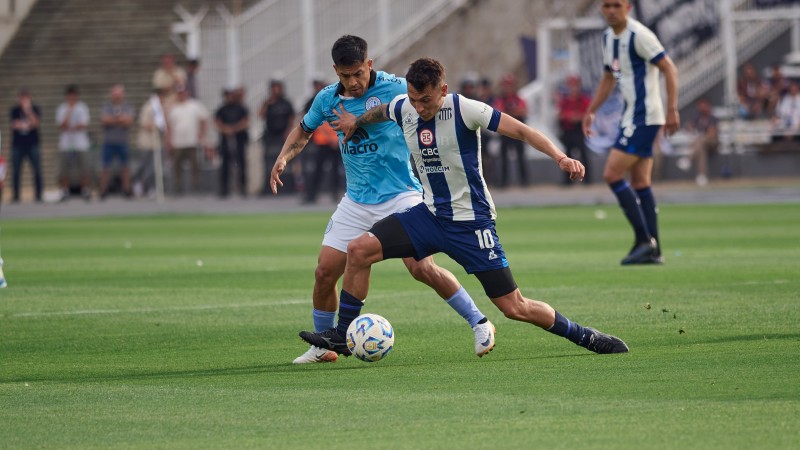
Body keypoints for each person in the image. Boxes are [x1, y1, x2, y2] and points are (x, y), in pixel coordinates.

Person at [300, 57, 628, 357]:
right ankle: (343, 334)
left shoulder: (465, 109)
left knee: (514, 307)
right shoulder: (404, 106)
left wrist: (560, 156)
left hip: (472, 225)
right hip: (428, 216)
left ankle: (585, 336)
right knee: (359, 250)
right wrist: (356, 122)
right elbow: (381, 111)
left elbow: (522, 131)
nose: (419, 107)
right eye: (413, 99)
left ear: (442, 90)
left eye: (426, 100)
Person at [270, 35, 494, 364]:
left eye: (359, 73)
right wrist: (283, 158)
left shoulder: (396, 88)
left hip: (402, 195)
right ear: (335, 71)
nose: (353, 81)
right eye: (345, 76)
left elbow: (436, 102)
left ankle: (479, 322)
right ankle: (324, 347)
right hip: (356, 201)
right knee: (324, 272)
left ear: (369, 64)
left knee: (421, 268)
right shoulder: (327, 99)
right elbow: (303, 131)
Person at [582, 0, 679, 265]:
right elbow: (608, 78)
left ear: (628, 7)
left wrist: (672, 109)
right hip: (632, 116)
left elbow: (669, 68)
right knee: (640, 183)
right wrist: (592, 110)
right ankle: (654, 248)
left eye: (617, 5)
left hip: (645, 116)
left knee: (611, 174)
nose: (611, 10)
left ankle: (644, 240)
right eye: (607, 5)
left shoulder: (640, 35)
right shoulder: (608, 38)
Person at [301, 79, 341, 204]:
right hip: (322, 141)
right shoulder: (312, 101)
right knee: (318, 169)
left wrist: (335, 139)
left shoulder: (333, 99)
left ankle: (334, 193)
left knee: (335, 169)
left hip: (334, 141)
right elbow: (312, 121)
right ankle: (312, 194)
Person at [166, 84, 210, 195]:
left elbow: (204, 120)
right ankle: (177, 187)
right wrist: (169, 141)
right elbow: (169, 126)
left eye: (183, 92)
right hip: (178, 143)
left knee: (195, 165)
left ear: (187, 93)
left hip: (192, 142)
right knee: (177, 166)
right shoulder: (173, 108)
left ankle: (196, 187)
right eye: (179, 93)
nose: (182, 95)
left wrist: (202, 134)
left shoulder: (195, 105)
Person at [56, 84, 92, 201]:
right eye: (69, 96)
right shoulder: (62, 108)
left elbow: (83, 124)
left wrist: (72, 127)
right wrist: (69, 111)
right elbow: (62, 125)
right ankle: (65, 190)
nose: (72, 98)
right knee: (64, 168)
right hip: (66, 144)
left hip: (80, 143)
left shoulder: (82, 108)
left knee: (84, 167)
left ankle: (85, 190)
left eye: (73, 96)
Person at [259, 79, 295, 195]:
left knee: (284, 162)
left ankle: (286, 187)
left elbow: (291, 118)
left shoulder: (286, 103)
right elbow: (260, 115)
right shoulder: (268, 102)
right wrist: (267, 103)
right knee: (269, 163)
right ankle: (268, 188)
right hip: (270, 137)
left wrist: (288, 133)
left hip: (282, 137)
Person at [99, 84, 135, 199]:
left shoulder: (127, 107)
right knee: (105, 167)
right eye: (115, 94)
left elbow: (128, 121)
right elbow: (104, 120)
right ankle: (103, 190)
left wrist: (113, 120)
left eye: (119, 95)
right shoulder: (107, 107)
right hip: (109, 142)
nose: (117, 97)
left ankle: (127, 189)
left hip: (122, 141)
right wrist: (119, 119)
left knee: (125, 167)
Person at [493, 73, 528, 188]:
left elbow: (522, 111)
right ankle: (503, 182)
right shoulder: (500, 99)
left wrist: (510, 112)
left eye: (510, 85)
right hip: (505, 132)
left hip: (518, 132)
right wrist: (512, 112)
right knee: (503, 158)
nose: (507, 88)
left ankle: (524, 181)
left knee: (521, 157)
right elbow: (498, 112)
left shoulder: (519, 99)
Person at [214, 88, 250, 198]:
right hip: (225, 141)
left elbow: (246, 122)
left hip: (239, 140)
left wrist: (234, 129)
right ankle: (224, 189)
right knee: (225, 165)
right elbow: (217, 123)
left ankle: (243, 188)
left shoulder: (240, 109)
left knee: (242, 164)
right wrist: (226, 130)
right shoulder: (222, 109)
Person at [9, 88, 43, 203]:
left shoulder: (35, 109)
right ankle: (16, 196)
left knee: (37, 170)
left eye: (26, 98)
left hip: (32, 144)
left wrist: (28, 112)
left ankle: (38, 195)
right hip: (18, 145)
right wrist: (28, 125)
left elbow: (35, 123)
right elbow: (15, 125)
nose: (24, 100)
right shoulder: (15, 110)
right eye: (22, 98)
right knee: (16, 171)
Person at [557, 75, 592, 185]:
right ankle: (567, 181)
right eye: (571, 85)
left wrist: (577, 117)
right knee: (566, 156)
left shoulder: (583, 99)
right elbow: (560, 115)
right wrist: (569, 117)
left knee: (583, 155)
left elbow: (588, 114)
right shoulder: (565, 100)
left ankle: (587, 179)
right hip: (567, 130)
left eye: (575, 85)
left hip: (579, 130)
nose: (573, 87)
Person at [134, 89, 168, 198]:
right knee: (144, 166)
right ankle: (140, 184)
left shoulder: (161, 109)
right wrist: (157, 127)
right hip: (146, 142)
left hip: (156, 143)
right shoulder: (148, 107)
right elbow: (144, 124)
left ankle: (150, 187)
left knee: (154, 167)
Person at [687, 98, 718, 186]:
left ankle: (688, 159)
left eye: (704, 105)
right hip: (701, 145)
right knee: (701, 149)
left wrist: (700, 136)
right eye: (700, 106)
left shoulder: (713, 118)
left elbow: (712, 134)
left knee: (700, 140)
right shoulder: (697, 118)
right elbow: (689, 127)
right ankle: (701, 176)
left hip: (712, 143)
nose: (702, 108)